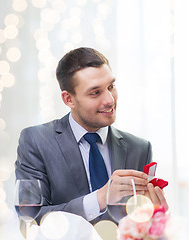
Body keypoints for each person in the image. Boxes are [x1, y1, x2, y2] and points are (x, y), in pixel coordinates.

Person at [15, 47, 168, 224]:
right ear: (68, 99)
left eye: (111, 86)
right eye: (95, 92)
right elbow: (31, 218)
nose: (110, 100)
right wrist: (99, 198)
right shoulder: (35, 141)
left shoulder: (139, 148)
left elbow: (138, 222)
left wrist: (154, 218)